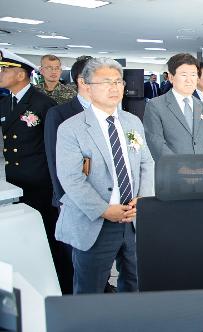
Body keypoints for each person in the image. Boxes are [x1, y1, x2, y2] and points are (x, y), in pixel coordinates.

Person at [55, 57, 154, 294]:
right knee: (90, 290)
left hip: (133, 220)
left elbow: (146, 162)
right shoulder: (72, 128)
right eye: (106, 82)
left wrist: (144, 198)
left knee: (135, 282)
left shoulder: (132, 122)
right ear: (86, 86)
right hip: (95, 221)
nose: (114, 87)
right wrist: (103, 209)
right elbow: (71, 178)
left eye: (118, 81)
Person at [0, 50, 59, 281]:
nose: (1, 74)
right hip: (16, 179)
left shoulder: (43, 103)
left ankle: (58, 281)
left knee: (47, 235)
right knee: (26, 234)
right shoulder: (6, 103)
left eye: (5, 70)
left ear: (21, 74)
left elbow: (53, 147)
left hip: (40, 182)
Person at [44, 55, 93, 294]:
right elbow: (56, 163)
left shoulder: (112, 112)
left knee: (97, 256)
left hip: (104, 199)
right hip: (72, 198)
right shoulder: (60, 114)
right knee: (76, 256)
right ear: (83, 80)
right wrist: (64, 198)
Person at [143, 53, 203, 161]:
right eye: (183, 75)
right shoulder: (155, 106)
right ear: (171, 77)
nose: (189, 80)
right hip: (172, 172)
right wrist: (181, 167)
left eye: (193, 74)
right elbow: (155, 142)